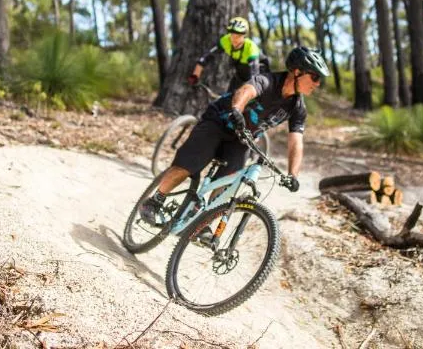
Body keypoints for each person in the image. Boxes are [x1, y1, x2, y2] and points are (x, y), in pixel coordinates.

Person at [140, 46, 331, 227]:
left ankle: (201, 224)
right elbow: (245, 91)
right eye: (314, 77)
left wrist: (293, 174)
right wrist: (237, 111)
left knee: (228, 182)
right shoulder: (268, 81)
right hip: (219, 122)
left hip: (241, 140)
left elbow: (296, 142)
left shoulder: (297, 108)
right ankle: (155, 200)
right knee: (190, 164)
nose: (317, 83)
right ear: (297, 72)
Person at [187, 16, 267, 93]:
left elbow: (255, 76)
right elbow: (206, 58)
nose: (234, 38)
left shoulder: (251, 48)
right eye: (232, 34)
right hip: (241, 73)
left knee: (253, 93)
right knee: (228, 97)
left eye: (239, 35)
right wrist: (195, 75)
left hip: (260, 70)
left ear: (244, 35)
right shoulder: (226, 41)